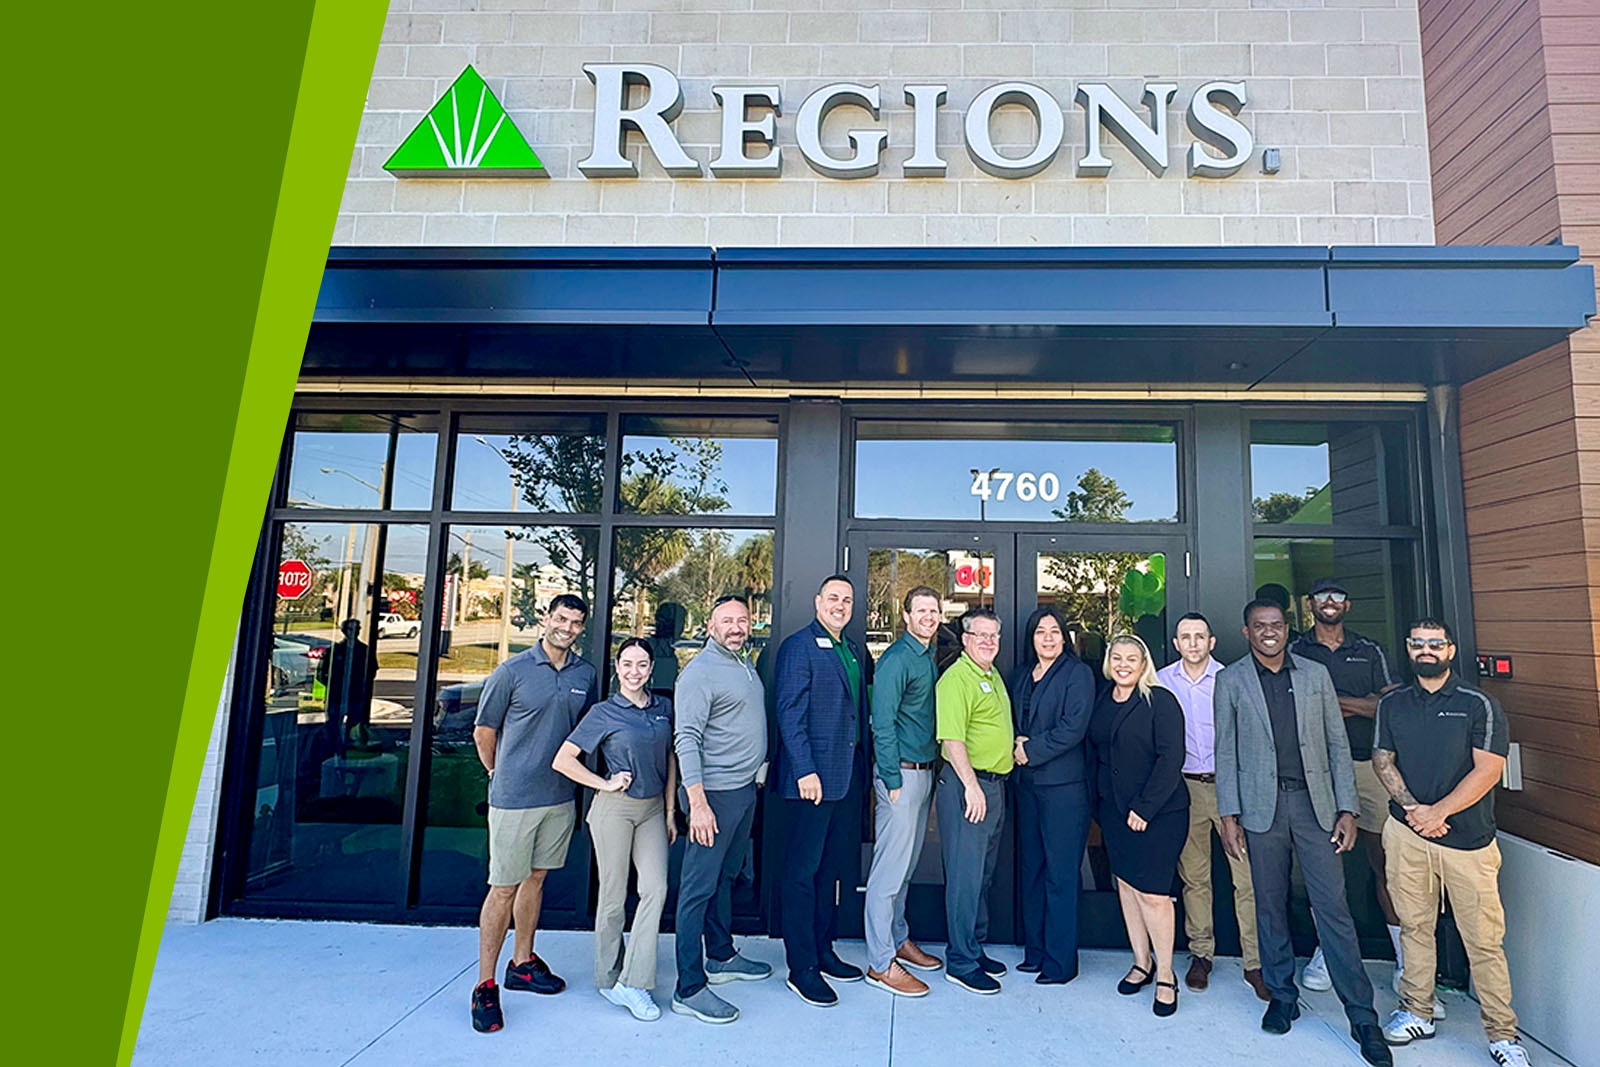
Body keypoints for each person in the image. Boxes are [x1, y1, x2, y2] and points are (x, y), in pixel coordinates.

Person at [1215, 599, 1391, 1067]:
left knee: (1333, 908)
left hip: (1315, 807)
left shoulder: (1314, 675)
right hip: (1260, 808)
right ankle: (1282, 996)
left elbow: (1337, 743)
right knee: (1269, 904)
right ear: (1247, 632)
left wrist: (1347, 807)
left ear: (1285, 629)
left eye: (1275, 625)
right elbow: (1225, 750)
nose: (1268, 632)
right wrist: (1228, 815)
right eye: (1259, 626)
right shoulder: (1230, 680)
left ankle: (1362, 1016)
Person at [1374, 619, 1531, 1067]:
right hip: (1407, 833)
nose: (1426, 651)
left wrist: (1438, 812)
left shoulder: (1477, 704)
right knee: (1415, 927)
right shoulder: (1395, 704)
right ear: (1408, 648)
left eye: (1435, 645)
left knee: (1482, 940)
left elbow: (1488, 769)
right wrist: (1414, 811)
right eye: (1419, 644)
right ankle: (1416, 1010)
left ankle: (1502, 1034)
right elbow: (1383, 760)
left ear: (1449, 649)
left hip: (1468, 841)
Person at [469, 594, 601, 1034]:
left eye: (576, 622)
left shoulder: (585, 673)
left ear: (582, 627)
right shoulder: (512, 671)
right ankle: (485, 984)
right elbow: (484, 730)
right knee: (502, 889)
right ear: (546, 620)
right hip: (514, 798)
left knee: (537, 879)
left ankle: (522, 963)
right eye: (561, 618)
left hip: (560, 797)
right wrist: (496, 772)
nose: (567, 627)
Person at [1289, 577, 1404, 996]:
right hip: (1315, 770)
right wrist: (1361, 704)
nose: (1330, 603)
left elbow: (1389, 705)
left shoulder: (1369, 650)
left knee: (1384, 862)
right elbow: (1296, 708)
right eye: (1322, 597)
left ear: (1347, 606)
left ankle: (1405, 959)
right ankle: (1327, 950)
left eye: (1337, 597)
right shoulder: (1297, 650)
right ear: (1310, 604)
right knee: (1322, 867)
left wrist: (1334, 703)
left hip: (1370, 766)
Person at [551, 638, 675, 1022]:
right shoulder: (604, 712)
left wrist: (671, 812)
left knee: (655, 888)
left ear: (651, 668)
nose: (634, 672)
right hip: (614, 810)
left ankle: (634, 980)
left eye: (642, 665)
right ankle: (608, 977)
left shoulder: (663, 708)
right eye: (627, 664)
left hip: (653, 809)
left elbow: (671, 758)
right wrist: (603, 783)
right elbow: (563, 759)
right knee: (613, 893)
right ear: (617, 668)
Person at [670, 595, 772, 1025]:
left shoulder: (742, 662)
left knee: (726, 877)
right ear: (709, 626)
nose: (736, 627)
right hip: (711, 796)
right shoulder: (699, 673)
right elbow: (686, 739)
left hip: (742, 792)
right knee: (697, 889)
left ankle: (722, 955)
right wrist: (698, 804)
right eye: (727, 621)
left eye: (742, 620)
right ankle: (688, 987)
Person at [1156, 613, 1268, 1001]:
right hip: (1183, 788)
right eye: (1185, 637)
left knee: (1246, 878)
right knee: (1195, 877)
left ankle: (1255, 962)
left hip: (1228, 788)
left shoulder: (1231, 678)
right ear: (1176, 643)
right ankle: (1201, 954)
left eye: (1199, 636)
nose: (1192, 643)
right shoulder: (1161, 680)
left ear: (1212, 641)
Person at [775, 574, 873, 1006]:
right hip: (811, 782)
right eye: (833, 598)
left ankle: (823, 950)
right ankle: (802, 968)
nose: (840, 605)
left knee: (830, 872)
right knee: (802, 875)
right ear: (817, 602)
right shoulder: (799, 647)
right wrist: (805, 770)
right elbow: (789, 714)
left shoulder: (851, 649)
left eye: (846, 599)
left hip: (846, 780)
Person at [1089, 634, 1189, 1017]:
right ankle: (1141, 962)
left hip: (1158, 815)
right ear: (1109, 661)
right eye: (1117, 657)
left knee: (1153, 894)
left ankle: (1166, 975)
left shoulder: (1160, 701)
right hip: (1114, 813)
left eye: (1133, 658)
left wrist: (1145, 808)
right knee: (1127, 888)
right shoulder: (1103, 699)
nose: (1124, 664)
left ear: (1144, 663)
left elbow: (1171, 758)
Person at [862, 585, 944, 997]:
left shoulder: (927, 655)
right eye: (921, 610)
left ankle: (898, 938)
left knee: (907, 867)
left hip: (924, 772)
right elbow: (883, 723)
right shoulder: (896, 660)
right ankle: (880, 963)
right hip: (902, 777)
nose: (929, 616)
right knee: (888, 872)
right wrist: (892, 780)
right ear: (906, 615)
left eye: (934, 610)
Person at [1007, 606, 1095, 984]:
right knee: (1032, 869)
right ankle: (1035, 951)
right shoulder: (1021, 676)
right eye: (1040, 631)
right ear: (1032, 637)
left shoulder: (1079, 675)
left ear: (1065, 637)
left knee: (1060, 874)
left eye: (1054, 632)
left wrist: (1030, 749)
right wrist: (1012, 743)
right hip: (1026, 787)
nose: (1047, 638)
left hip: (1063, 790)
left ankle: (1061, 963)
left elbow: (1073, 728)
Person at [935, 607, 1013, 995]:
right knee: (965, 876)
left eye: (993, 636)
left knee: (981, 874)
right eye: (980, 635)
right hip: (969, 788)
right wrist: (971, 785)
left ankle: (974, 947)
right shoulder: (956, 679)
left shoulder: (991, 674)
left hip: (993, 786)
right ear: (965, 639)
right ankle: (961, 961)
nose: (988, 642)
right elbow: (952, 738)